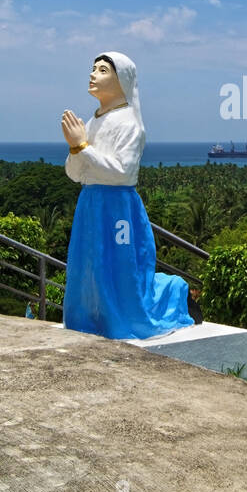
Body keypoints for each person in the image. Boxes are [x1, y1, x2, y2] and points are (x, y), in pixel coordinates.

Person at [60, 52, 194, 339]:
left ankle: (141, 308)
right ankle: (88, 318)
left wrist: (82, 147)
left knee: (119, 265)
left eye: (103, 70)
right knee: (87, 264)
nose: (93, 74)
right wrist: (75, 149)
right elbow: (75, 173)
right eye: (93, 68)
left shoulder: (129, 124)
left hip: (117, 206)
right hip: (90, 203)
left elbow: (122, 172)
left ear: (121, 80)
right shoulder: (94, 122)